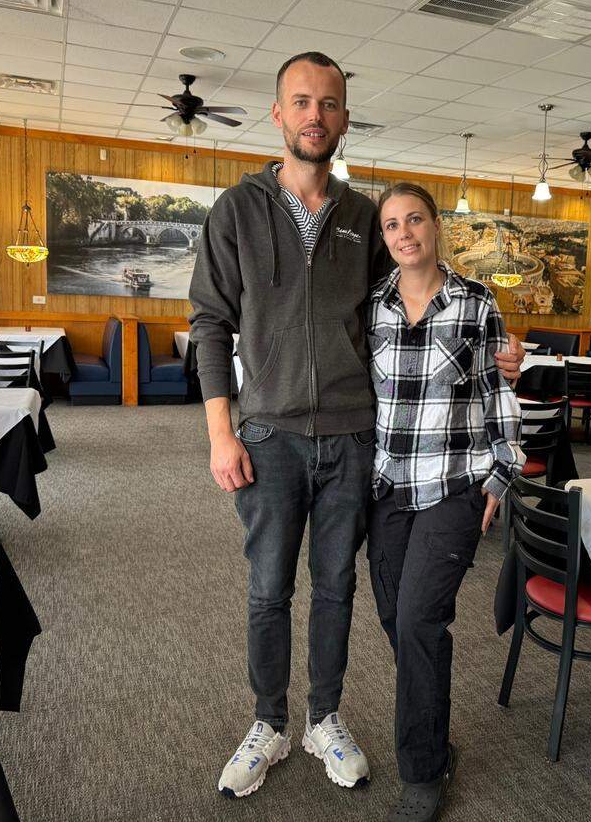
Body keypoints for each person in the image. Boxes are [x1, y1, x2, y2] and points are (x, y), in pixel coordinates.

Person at [188, 51, 525, 801]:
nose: (316, 115)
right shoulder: (237, 211)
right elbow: (209, 324)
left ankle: (323, 717)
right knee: (268, 588)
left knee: (336, 585)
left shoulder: (361, 216)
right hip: (268, 436)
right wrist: (220, 430)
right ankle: (268, 720)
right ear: (278, 114)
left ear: (343, 118)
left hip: (353, 441)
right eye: (302, 102)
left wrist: (497, 350)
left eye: (330, 104)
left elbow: (413, 294)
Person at [366, 183, 525, 822]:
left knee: (417, 622)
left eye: (415, 221)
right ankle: (433, 720)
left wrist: (503, 474)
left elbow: (498, 394)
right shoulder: (370, 307)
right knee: (394, 616)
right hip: (386, 489)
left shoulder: (476, 304)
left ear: (438, 228)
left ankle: (424, 770)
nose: (404, 234)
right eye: (391, 226)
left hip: (454, 485)